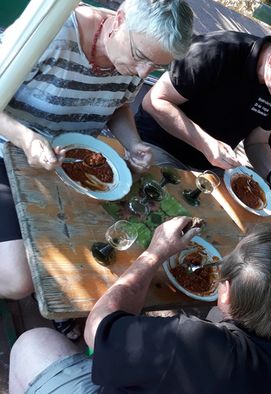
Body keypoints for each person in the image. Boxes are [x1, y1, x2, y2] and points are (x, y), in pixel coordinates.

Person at [0, 0, 193, 337]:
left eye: (155, 67)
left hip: (71, 166)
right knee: (18, 279)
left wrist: (133, 143)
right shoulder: (53, 33)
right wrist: (27, 139)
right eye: (141, 57)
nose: (142, 73)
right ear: (118, 20)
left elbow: (119, 107)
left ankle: (62, 303)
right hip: (10, 157)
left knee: (114, 251)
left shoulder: (130, 56)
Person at [9, 219, 271, 393]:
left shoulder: (194, 342)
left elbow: (97, 328)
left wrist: (155, 253)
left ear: (225, 294)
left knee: (33, 342)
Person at [137, 32, 271, 202]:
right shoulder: (216, 51)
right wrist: (206, 143)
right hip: (158, 146)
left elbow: (257, 142)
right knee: (155, 206)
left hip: (209, 167)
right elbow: (154, 101)